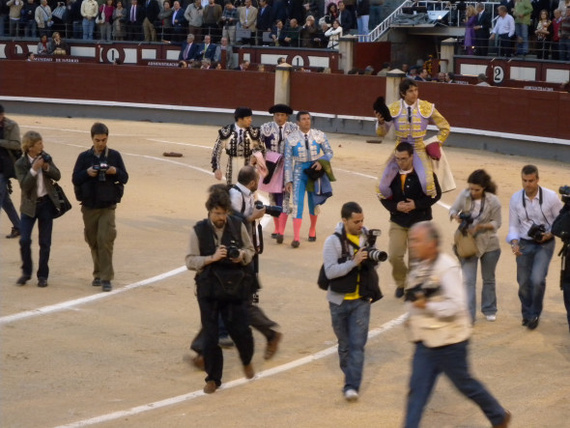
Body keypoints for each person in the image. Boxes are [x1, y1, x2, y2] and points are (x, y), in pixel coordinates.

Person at [403, 221, 512, 428]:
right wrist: (412, 314)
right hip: (425, 341)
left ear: (432, 244)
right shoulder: (418, 266)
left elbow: (457, 305)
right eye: (412, 241)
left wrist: (427, 307)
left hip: (450, 342)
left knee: (465, 384)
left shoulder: (447, 267)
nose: (413, 245)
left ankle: (498, 415)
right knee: (417, 391)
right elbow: (413, 296)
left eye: (417, 241)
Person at [185, 184, 256, 394]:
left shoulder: (237, 225)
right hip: (208, 289)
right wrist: (211, 258)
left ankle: (246, 360)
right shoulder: (198, 230)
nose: (221, 217)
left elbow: (250, 249)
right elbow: (190, 261)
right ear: (209, 211)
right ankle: (213, 378)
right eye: (217, 213)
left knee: (241, 330)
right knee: (210, 334)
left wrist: (242, 256)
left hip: (234, 287)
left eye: (224, 213)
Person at [323, 201, 382, 402]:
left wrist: (370, 261)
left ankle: (351, 385)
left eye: (362, 220)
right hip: (338, 301)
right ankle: (350, 376)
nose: (360, 224)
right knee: (345, 345)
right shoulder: (333, 241)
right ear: (345, 221)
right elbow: (330, 271)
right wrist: (353, 262)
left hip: (361, 301)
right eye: (356, 221)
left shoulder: (367, 237)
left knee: (357, 345)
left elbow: (374, 266)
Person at [229, 166, 283, 359]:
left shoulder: (245, 194)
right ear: (252, 183)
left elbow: (234, 223)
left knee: (234, 301)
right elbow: (235, 223)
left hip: (242, 253)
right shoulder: (236, 195)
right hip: (241, 250)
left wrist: (256, 213)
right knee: (230, 300)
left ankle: (208, 344)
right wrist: (253, 216)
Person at [72, 122, 129, 293]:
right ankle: (97, 273)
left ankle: (106, 278)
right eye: (97, 140)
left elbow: (125, 178)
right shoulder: (84, 157)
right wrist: (87, 173)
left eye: (103, 140)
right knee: (93, 240)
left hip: (107, 205)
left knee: (105, 240)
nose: (100, 143)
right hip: (89, 206)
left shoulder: (115, 156)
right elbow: (75, 179)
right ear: (92, 139)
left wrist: (114, 171)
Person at [379, 142, 441, 298]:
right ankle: (402, 282)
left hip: (419, 221)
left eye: (404, 158)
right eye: (398, 159)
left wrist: (416, 204)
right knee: (394, 255)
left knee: (416, 258)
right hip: (398, 220)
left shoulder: (425, 174)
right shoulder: (390, 174)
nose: (401, 162)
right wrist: (395, 207)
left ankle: (412, 286)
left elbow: (436, 195)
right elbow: (381, 196)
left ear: (412, 157)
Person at [375, 78, 453, 202]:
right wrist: (380, 122)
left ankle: (417, 207)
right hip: (400, 149)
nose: (415, 94)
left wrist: (436, 143)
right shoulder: (393, 108)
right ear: (403, 93)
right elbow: (381, 133)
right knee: (382, 187)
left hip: (418, 148)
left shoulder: (426, 107)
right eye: (411, 91)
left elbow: (445, 127)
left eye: (416, 90)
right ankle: (397, 205)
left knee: (427, 185)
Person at [506, 165, 563, 330]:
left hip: (545, 243)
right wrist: (514, 243)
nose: (527, 184)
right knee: (523, 282)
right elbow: (513, 226)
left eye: (531, 181)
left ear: (537, 179)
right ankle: (527, 313)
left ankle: (534, 314)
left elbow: (561, 220)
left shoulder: (551, 197)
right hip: (524, 242)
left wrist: (551, 234)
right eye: (524, 180)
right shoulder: (516, 199)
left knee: (537, 280)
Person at [449, 170, 502, 323]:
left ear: (484, 187)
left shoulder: (494, 201)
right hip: (469, 243)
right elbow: (453, 209)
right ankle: (468, 316)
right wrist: (455, 216)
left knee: (488, 279)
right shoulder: (464, 195)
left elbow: (497, 223)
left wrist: (480, 227)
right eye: (471, 188)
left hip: (489, 243)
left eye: (476, 189)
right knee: (468, 281)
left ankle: (489, 309)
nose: (472, 192)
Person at [14, 131, 61, 288]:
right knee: (24, 240)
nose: (43, 146)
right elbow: (24, 186)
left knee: (45, 242)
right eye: (39, 143)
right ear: (30, 147)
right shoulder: (20, 164)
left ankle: (43, 275)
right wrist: (34, 170)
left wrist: (46, 167)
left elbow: (58, 175)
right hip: (29, 206)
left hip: (46, 204)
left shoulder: (46, 157)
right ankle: (26, 272)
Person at [284, 110, 334, 248]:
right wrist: (288, 180)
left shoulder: (319, 135)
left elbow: (329, 152)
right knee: (297, 203)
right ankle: (296, 237)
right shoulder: (291, 138)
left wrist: (321, 161)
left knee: (313, 202)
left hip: (314, 170)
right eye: (304, 119)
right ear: (298, 122)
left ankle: (312, 229)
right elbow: (288, 161)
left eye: (308, 118)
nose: (307, 121)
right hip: (299, 171)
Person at [259, 103, 298, 243]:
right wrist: (262, 159)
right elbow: (258, 145)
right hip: (272, 165)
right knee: (273, 197)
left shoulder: (294, 128)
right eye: (277, 115)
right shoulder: (266, 128)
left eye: (282, 115)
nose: (279, 118)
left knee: (285, 197)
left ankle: (281, 230)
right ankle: (277, 228)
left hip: (288, 165)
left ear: (287, 116)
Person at [211, 107, 264, 186]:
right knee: (232, 191)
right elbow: (216, 151)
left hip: (249, 166)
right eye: (248, 118)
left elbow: (262, 148)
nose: (251, 120)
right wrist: (216, 168)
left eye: (250, 117)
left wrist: (256, 156)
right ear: (240, 119)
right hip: (232, 168)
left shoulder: (254, 132)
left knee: (249, 193)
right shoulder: (226, 131)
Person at [0, 104, 22, 240]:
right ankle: (19, 227)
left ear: (2, 115)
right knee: (5, 200)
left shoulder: (11, 125)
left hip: (5, 166)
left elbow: (16, 144)